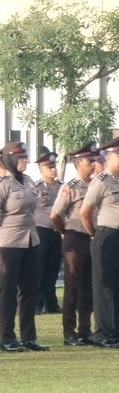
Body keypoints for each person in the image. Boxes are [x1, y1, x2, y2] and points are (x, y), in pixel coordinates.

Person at [0, 141, 48, 353]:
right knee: (7, 291)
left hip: (30, 240)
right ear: (9, 160)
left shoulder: (28, 182)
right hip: (8, 242)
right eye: (20, 158)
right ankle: (7, 337)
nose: (25, 161)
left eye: (25, 157)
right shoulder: (1, 185)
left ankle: (29, 337)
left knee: (28, 290)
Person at [52, 143, 97, 344]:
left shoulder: (96, 184)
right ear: (79, 164)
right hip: (75, 238)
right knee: (72, 286)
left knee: (88, 286)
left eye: (95, 160)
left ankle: (85, 330)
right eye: (90, 161)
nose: (94, 164)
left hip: (92, 239)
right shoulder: (70, 187)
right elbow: (55, 215)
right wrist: (65, 231)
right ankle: (69, 332)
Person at [78, 137, 119, 347]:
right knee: (105, 287)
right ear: (110, 158)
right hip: (106, 236)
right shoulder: (101, 181)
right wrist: (95, 233)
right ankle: (104, 332)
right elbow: (85, 211)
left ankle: (116, 331)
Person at [32, 147, 64, 316]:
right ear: (41, 169)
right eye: (49, 167)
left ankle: (51, 302)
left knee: (53, 268)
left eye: (54, 166)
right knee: (39, 268)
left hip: (56, 232)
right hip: (41, 231)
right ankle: (37, 302)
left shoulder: (62, 186)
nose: (53, 170)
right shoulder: (36, 187)